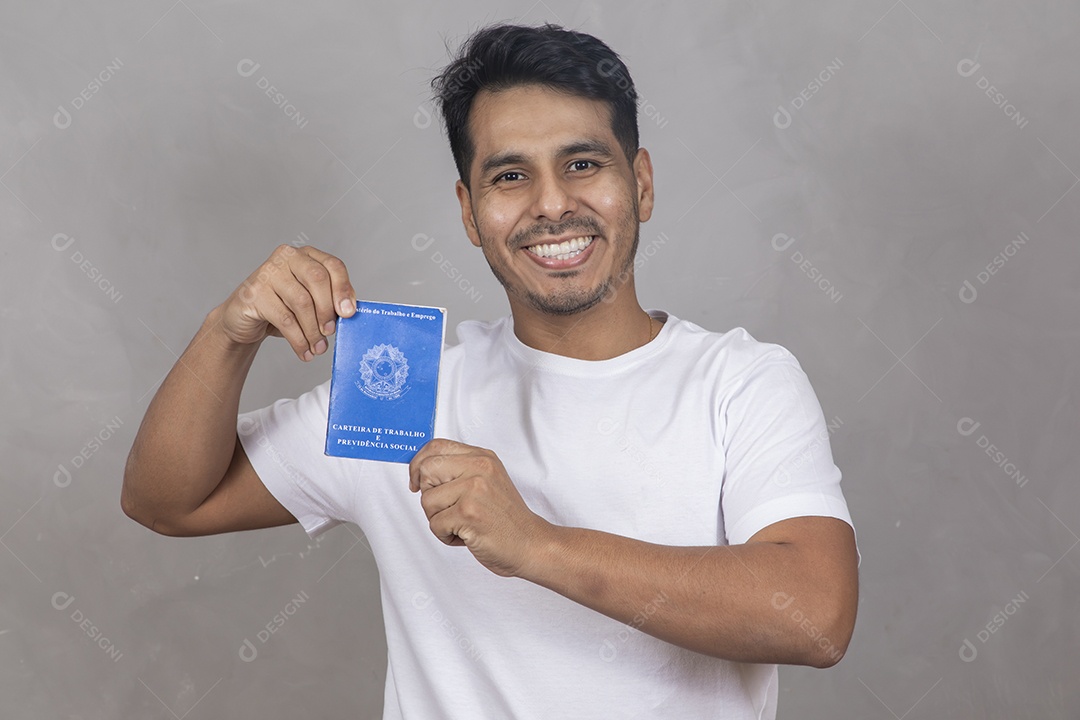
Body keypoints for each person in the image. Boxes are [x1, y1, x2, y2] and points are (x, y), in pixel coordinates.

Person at [122, 22, 858, 719]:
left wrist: (535, 544)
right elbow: (170, 502)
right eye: (509, 175)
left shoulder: (741, 383)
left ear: (642, 182)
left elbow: (817, 615)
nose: (551, 204)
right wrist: (229, 332)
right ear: (470, 214)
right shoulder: (406, 391)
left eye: (582, 164)